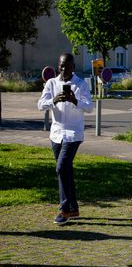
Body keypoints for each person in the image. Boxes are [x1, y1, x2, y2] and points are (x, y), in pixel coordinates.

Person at [37, 53, 93, 225]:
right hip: (56, 134)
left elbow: (89, 107)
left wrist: (75, 101)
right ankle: (74, 208)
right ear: (58, 66)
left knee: (61, 168)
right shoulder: (51, 83)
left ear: (73, 67)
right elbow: (40, 105)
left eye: (67, 66)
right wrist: (53, 100)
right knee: (66, 170)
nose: (64, 69)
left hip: (73, 134)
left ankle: (64, 209)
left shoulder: (80, 84)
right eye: (61, 65)